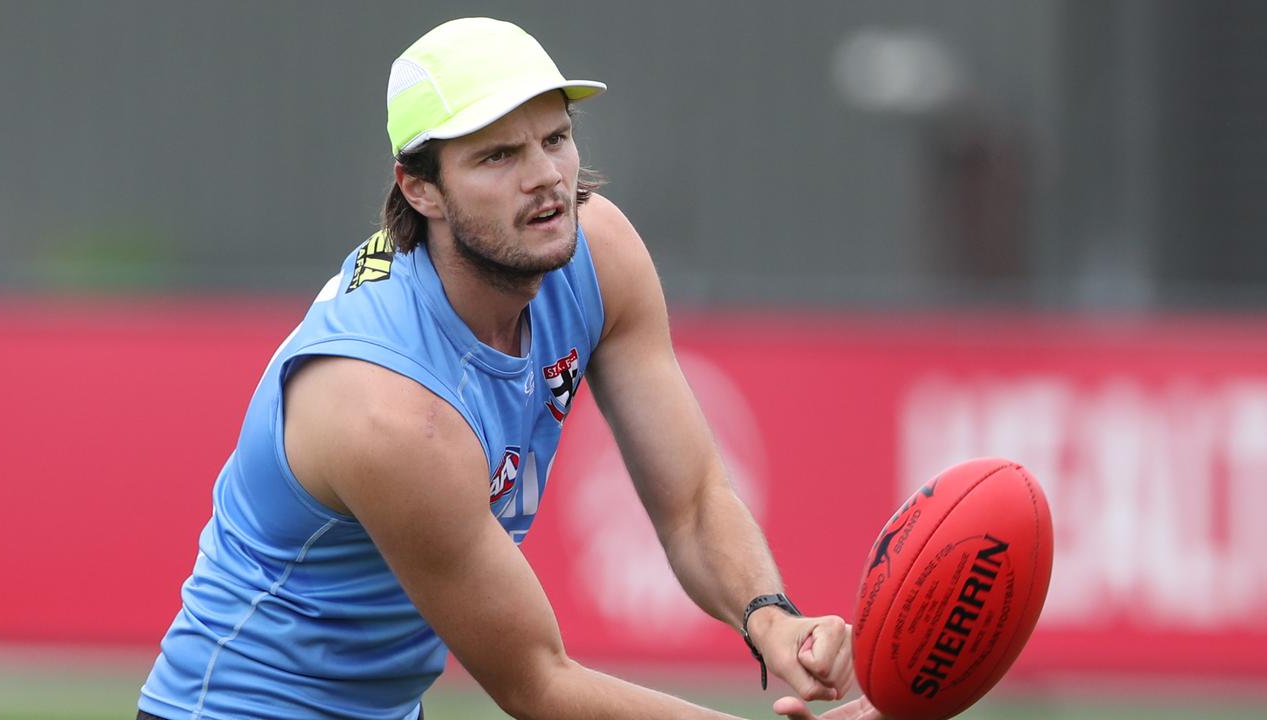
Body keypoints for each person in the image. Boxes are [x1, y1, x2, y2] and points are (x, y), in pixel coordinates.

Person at [138, 17, 880, 720]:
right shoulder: (390, 412)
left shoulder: (598, 251)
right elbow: (538, 683)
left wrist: (771, 620)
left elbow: (690, 501)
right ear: (419, 187)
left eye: (555, 138)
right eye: (497, 156)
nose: (547, 178)